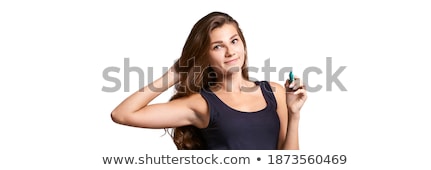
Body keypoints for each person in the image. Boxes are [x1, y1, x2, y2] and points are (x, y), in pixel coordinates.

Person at [111, 11, 307, 150]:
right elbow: (122, 114)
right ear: (205, 56)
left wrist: (294, 114)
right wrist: (175, 73)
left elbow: (288, 161)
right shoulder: (202, 104)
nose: (230, 51)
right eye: (217, 47)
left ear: (244, 45)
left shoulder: (274, 92)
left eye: (234, 41)